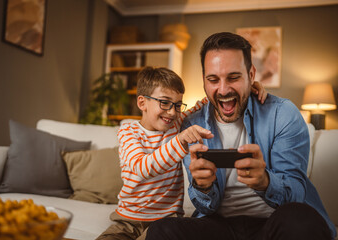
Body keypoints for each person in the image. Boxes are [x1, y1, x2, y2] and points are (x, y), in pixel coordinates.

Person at [145, 32, 336, 240]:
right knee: (161, 231)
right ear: (203, 80)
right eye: (213, 79)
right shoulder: (192, 124)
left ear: (251, 75)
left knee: (303, 222)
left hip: (273, 224)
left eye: (234, 77)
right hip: (219, 227)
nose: (224, 89)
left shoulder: (283, 114)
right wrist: (202, 187)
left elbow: (297, 194)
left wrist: (265, 181)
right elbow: (204, 206)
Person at [96, 66, 267, 240]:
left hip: (166, 221)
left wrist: (246, 89)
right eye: (164, 102)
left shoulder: (176, 123)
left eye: (178, 105)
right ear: (142, 103)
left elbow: (206, 102)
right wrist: (180, 140)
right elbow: (143, 168)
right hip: (128, 220)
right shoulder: (128, 131)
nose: (172, 112)